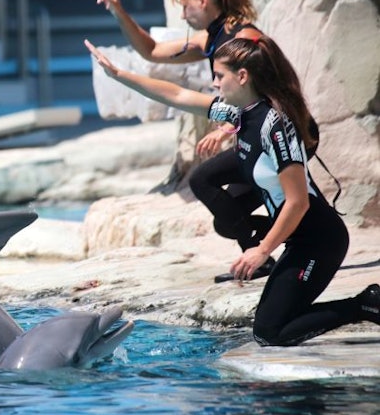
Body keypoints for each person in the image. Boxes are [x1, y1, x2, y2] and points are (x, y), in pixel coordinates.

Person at [84, 35, 380, 346]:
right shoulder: (239, 114)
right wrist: (120, 76)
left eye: (219, 76)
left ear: (242, 76)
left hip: (320, 240)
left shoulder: (276, 127)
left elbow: (298, 202)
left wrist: (261, 251)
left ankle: (363, 303)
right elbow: (177, 95)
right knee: (270, 326)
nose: (213, 84)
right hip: (298, 239)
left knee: (270, 332)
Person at [97, 0, 308, 282]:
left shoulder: (244, 39)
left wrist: (226, 128)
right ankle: (268, 249)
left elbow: (269, 93)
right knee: (225, 219)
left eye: (184, 7)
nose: (182, 15)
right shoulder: (209, 39)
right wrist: (117, 11)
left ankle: (279, 247)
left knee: (211, 184)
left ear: (203, 0)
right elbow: (151, 51)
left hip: (277, 136)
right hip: (254, 137)